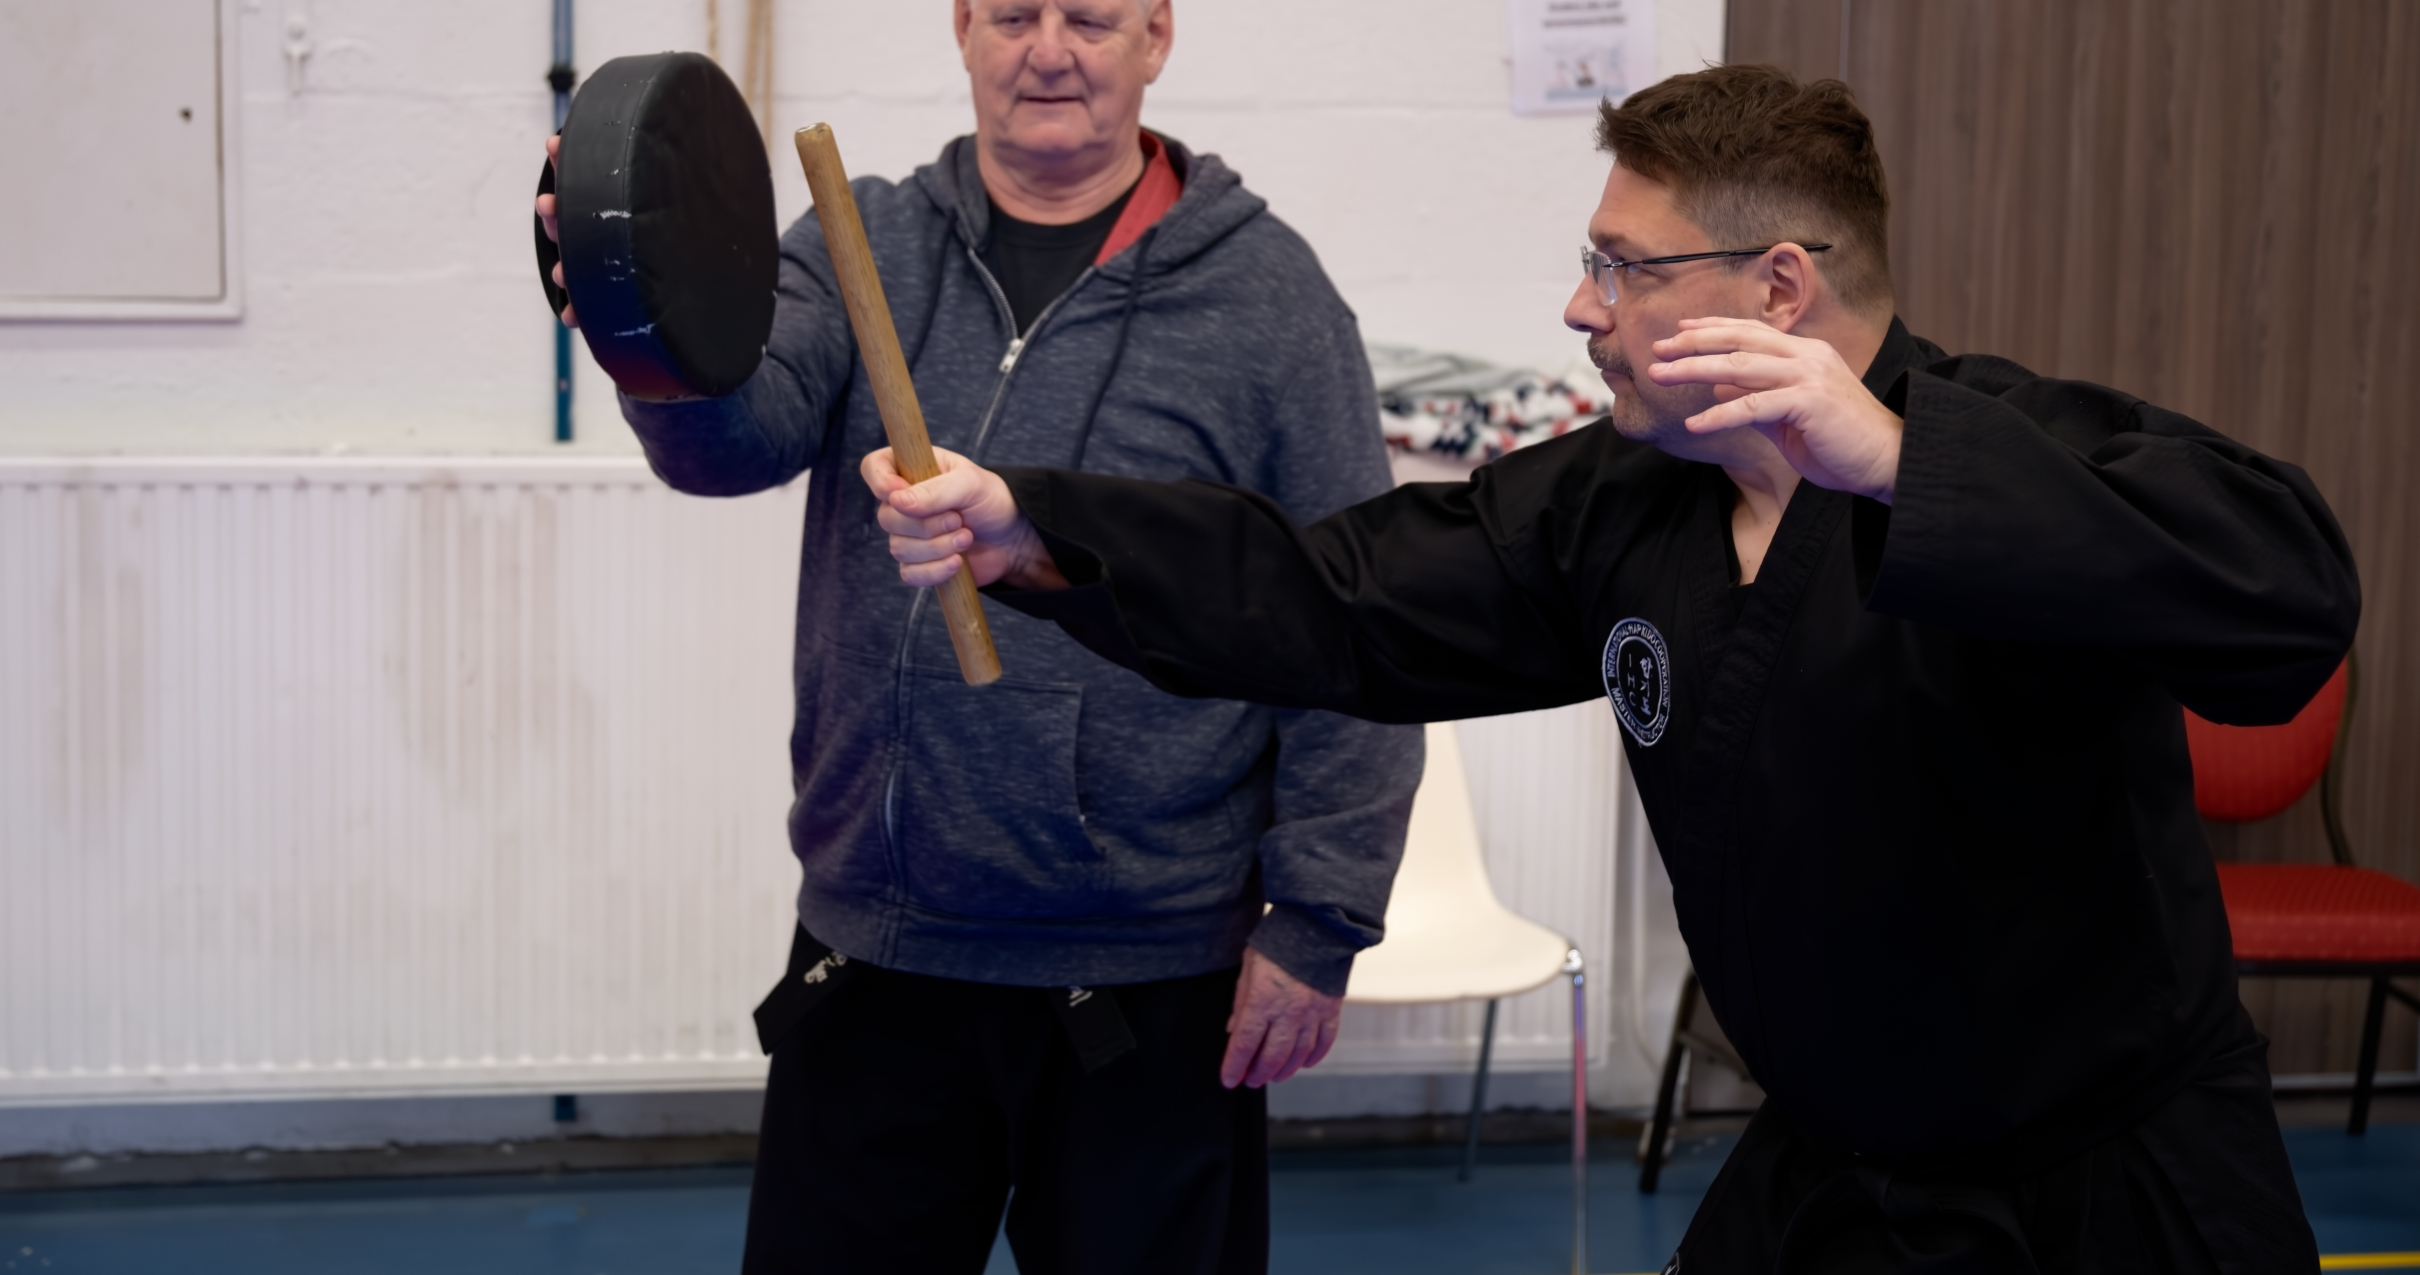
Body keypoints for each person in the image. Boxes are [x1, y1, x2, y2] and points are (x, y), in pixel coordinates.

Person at [865, 64, 2362, 1273]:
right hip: (1846, 1175)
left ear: (1779, 289)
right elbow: (1342, 595)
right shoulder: (1627, 502)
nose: (1584, 309)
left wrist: (1902, 465)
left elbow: (2288, 600)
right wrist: (1038, 532)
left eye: (1623, 268)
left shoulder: (2023, 449)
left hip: (2112, 1197)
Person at [540, 0, 1418, 1275]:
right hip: (880, 950)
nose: (1048, 52)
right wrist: (639, 330)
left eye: (1088, 17)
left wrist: (1319, 921)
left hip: (1150, 972)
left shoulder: (1268, 299)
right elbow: (732, 444)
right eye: (1015, 16)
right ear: (963, 23)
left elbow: (1356, 620)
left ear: (1156, 33)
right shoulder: (866, 240)